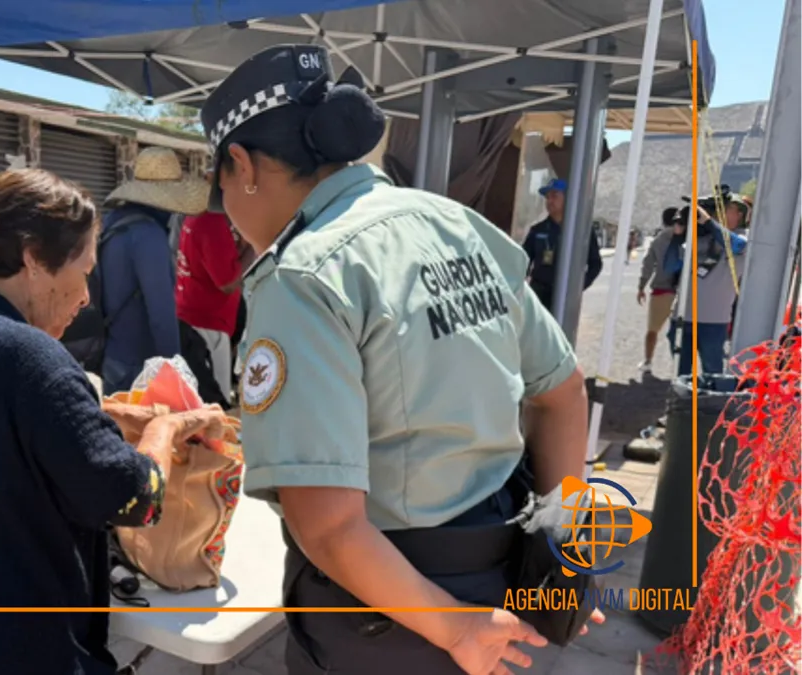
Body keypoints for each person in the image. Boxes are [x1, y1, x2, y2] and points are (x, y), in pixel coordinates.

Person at [200, 45, 602, 674]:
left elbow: (330, 527)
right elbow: (563, 393)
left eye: (218, 182)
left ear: (242, 165)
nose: (223, 204)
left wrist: (456, 629)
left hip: (394, 610)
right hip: (499, 572)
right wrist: (558, 549)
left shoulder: (304, 277)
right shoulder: (457, 225)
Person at [0, 169, 227, 675]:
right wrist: (164, 432)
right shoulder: (29, 354)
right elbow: (134, 497)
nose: (85, 298)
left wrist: (109, 414)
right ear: (34, 259)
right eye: (83, 273)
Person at [97, 146, 208, 393]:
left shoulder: (113, 222)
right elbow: (162, 314)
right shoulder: (148, 235)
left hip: (113, 356)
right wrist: (177, 373)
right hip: (139, 365)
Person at [175, 188, 246, 400]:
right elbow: (227, 282)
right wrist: (254, 244)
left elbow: (227, 262)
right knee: (217, 400)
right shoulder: (212, 223)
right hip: (209, 324)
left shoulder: (195, 217)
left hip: (194, 316)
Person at [676, 202, 747, 377]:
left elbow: (738, 246)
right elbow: (670, 265)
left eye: (726, 209)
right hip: (684, 317)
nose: (718, 213)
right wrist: (680, 232)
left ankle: (711, 404)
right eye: (715, 210)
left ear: (740, 214)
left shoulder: (744, 238)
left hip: (714, 320)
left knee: (713, 373)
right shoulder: (700, 237)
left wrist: (708, 222)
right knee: (681, 374)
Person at [522, 178, 603, 311]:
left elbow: (595, 263)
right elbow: (524, 260)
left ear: (568, 199)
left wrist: (579, 286)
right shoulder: (538, 230)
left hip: (566, 296)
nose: (549, 201)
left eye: (554, 196)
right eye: (547, 197)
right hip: (539, 295)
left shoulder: (581, 230)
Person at [636, 207, 687, 374]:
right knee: (684, 331)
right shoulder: (692, 237)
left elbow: (648, 264)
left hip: (662, 289)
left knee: (652, 329)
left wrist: (641, 286)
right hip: (685, 290)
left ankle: (648, 361)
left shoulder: (659, 239)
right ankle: (682, 367)